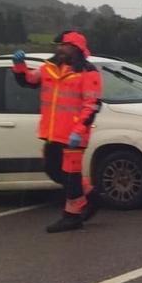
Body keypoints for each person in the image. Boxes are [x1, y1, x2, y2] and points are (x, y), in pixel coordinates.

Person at [12, 31, 102, 233]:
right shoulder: (49, 68)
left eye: (63, 45)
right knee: (53, 169)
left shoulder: (88, 72)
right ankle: (90, 196)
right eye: (58, 45)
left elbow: (92, 105)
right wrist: (19, 66)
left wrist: (79, 130)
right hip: (53, 133)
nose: (59, 49)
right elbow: (28, 80)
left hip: (74, 135)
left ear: (75, 48)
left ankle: (72, 216)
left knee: (71, 175)